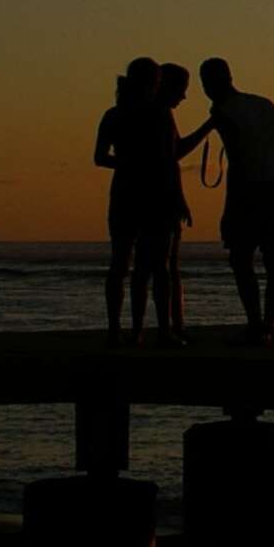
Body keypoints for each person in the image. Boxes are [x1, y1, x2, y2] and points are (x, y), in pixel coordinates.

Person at [194, 57, 274, 344]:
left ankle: (256, 324)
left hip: (249, 189)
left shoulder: (222, 111)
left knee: (241, 258)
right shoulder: (264, 103)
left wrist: (234, 203)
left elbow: (239, 159)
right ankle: (266, 325)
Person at [92, 58, 178, 346]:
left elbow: (101, 157)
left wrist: (126, 163)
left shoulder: (113, 115)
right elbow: (169, 159)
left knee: (121, 264)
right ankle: (160, 331)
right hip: (154, 193)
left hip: (125, 192)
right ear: (154, 83)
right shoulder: (160, 115)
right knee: (156, 267)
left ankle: (118, 330)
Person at [156, 61, 208, 344]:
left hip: (156, 195)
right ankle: (170, 328)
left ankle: (172, 326)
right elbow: (172, 158)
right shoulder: (162, 115)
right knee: (166, 266)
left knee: (159, 266)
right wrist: (209, 127)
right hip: (162, 197)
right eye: (182, 90)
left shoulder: (155, 115)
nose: (184, 97)